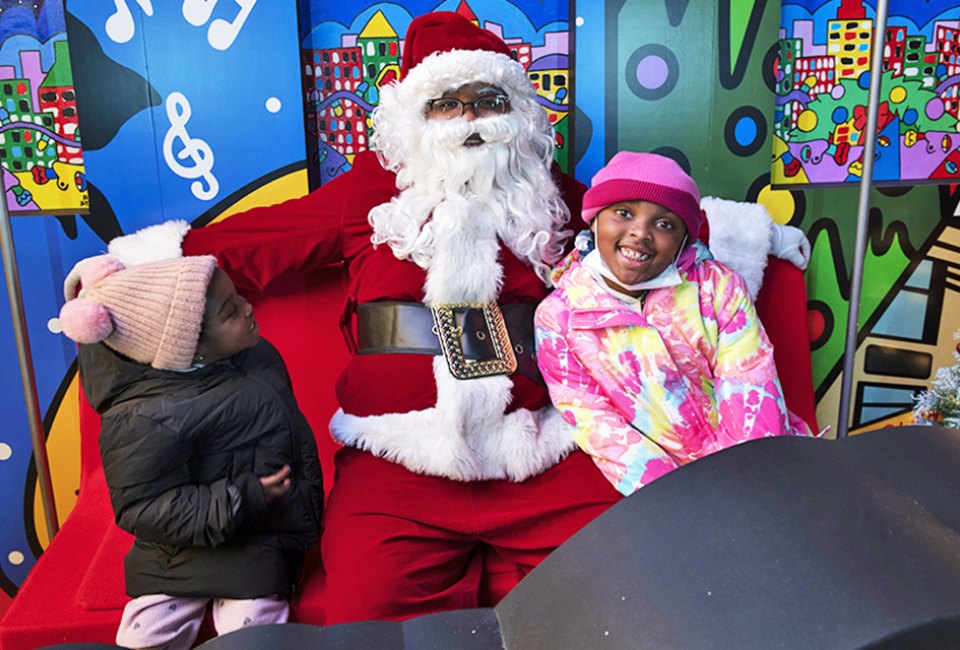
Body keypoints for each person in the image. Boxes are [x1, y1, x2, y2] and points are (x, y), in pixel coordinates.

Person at [100, 11, 811, 623]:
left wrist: (752, 235)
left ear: (518, 111)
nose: (470, 118)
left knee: (629, 587)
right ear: (416, 116)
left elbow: (649, 228)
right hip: (398, 459)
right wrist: (130, 266)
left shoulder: (556, 195)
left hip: (545, 447)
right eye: (448, 103)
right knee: (368, 611)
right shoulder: (370, 196)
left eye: (486, 98)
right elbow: (254, 243)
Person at [58, 255, 323, 650]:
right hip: (177, 550)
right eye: (231, 311)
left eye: (239, 297)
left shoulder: (253, 356)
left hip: (258, 537)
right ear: (187, 348)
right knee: (146, 632)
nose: (249, 308)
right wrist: (242, 496)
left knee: (258, 632)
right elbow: (143, 507)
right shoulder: (142, 417)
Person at [535, 152, 815, 497]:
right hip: (666, 496)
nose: (640, 232)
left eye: (664, 223)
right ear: (594, 220)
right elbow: (598, 427)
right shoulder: (559, 319)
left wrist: (747, 489)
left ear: (684, 238)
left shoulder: (718, 288)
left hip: (765, 471)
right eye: (623, 213)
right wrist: (680, 501)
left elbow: (752, 387)